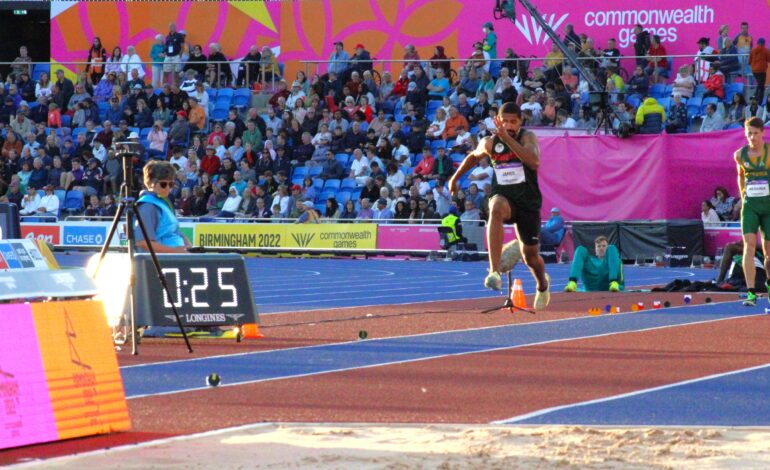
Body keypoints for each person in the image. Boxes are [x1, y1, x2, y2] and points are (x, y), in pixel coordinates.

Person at [448, 102, 550, 310]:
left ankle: (542, 285)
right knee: (495, 208)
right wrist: (455, 178)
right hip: (504, 197)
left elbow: (534, 162)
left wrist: (508, 139)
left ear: (520, 122)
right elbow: (473, 157)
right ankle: (494, 272)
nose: (510, 126)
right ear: (498, 122)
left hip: (528, 203)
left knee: (531, 256)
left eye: (514, 122)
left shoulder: (527, 138)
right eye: (506, 122)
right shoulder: (489, 142)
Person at [735, 117, 770, 306]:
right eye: (749, 133)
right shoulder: (740, 155)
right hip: (750, 206)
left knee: (768, 254)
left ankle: (769, 284)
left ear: (762, 133)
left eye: (756, 133)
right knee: (748, 245)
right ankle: (751, 293)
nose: (752, 137)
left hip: (769, 207)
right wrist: (743, 196)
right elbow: (740, 175)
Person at [135, 160, 192, 253]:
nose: (168, 188)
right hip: (158, 263)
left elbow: (175, 231)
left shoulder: (163, 202)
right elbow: (143, 242)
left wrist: (188, 246)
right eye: (164, 184)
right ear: (151, 183)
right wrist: (176, 251)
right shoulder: (148, 206)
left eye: (171, 184)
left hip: (172, 260)